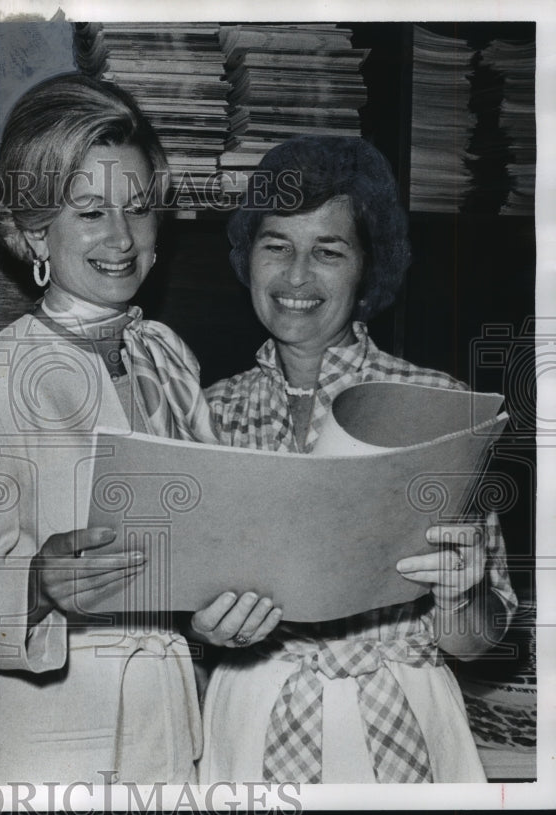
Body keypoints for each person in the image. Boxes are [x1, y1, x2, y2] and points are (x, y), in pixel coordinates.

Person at [0, 73, 280, 785]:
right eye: (89, 211)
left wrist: (219, 612)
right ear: (33, 231)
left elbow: (199, 547)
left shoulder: (169, 357)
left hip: (171, 740)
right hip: (42, 753)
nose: (121, 238)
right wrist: (36, 585)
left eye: (139, 207)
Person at [196, 135, 517, 783]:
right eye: (276, 244)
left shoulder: (436, 408)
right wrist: (205, 627)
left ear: (367, 266)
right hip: (252, 719)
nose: (295, 275)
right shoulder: (203, 415)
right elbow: (187, 624)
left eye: (328, 250)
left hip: (402, 719)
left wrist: (464, 593)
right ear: (247, 257)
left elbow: (482, 639)